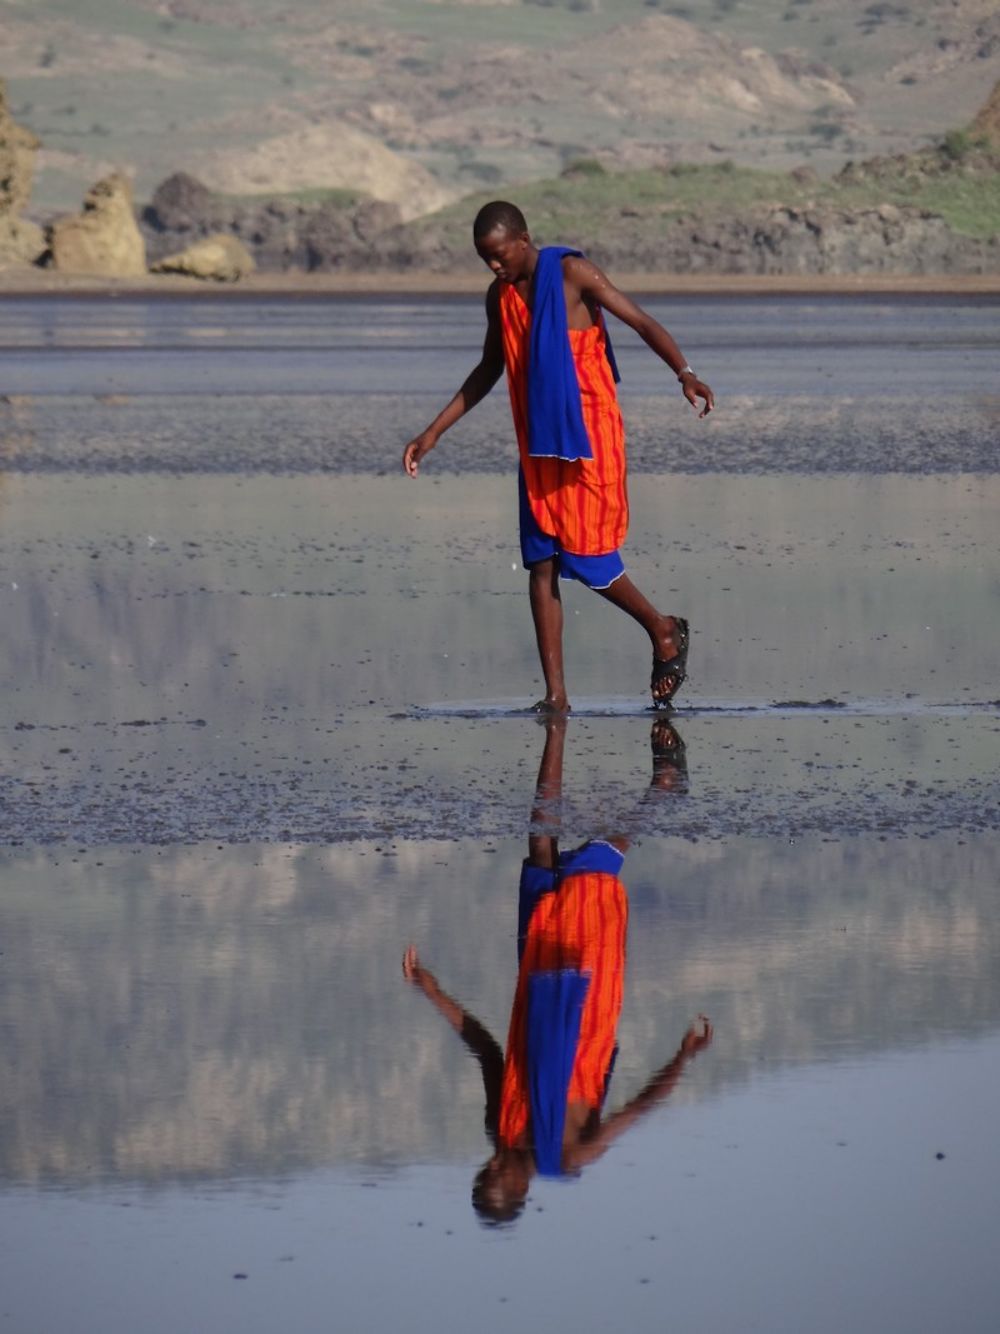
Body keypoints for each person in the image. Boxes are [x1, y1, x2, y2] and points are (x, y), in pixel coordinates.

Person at [402, 199, 714, 713]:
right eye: (486, 260)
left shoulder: (573, 274)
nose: (495, 267)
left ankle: (663, 630)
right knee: (541, 561)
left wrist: (684, 373)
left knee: (585, 555)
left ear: (523, 240)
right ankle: (556, 696)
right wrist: (434, 431)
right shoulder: (498, 297)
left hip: (587, 438)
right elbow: (489, 368)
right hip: (538, 443)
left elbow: (641, 321)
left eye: (500, 256)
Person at [402, 715, 712, 1225]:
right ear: (521, 1190)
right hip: (585, 998)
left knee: (539, 853)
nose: (497, 1160)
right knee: (591, 869)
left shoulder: (499, 1130)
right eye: (500, 1175)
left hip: (537, 982)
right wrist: (683, 1057)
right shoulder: (570, 1155)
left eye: (487, 1170)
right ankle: (662, 789)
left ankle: (555, 732)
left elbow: (486, 1050)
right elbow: (635, 1110)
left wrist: (429, 988)